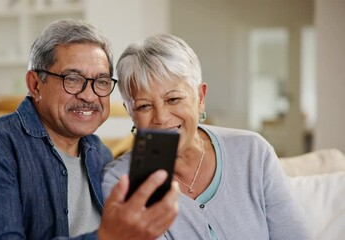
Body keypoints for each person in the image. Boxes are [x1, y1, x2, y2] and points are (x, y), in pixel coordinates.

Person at [0, 19, 179, 239]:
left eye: (101, 81)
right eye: (73, 79)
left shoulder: (100, 154)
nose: (89, 95)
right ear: (35, 84)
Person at [102, 34, 312, 239]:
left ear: (200, 98)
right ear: (131, 113)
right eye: (144, 106)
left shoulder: (253, 152)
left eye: (173, 99)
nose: (162, 118)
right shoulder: (119, 181)